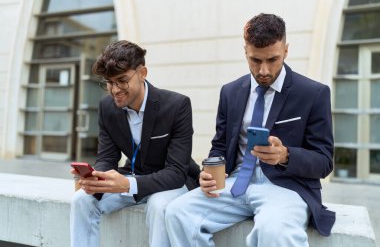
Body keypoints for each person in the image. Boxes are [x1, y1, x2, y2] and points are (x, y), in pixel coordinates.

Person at [165, 13, 335, 247]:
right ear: (245, 51)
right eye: (255, 60)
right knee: (177, 212)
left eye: (272, 59)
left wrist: (286, 155)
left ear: (286, 50)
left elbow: (324, 161)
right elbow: (220, 145)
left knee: (273, 231)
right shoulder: (230, 92)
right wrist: (211, 170)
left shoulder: (313, 93)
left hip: (285, 188)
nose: (263, 70)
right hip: (235, 184)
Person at [70, 40, 200, 247]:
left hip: (173, 182)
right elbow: (107, 158)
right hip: (131, 178)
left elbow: (176, 172)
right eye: (109, 82)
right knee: (81, 200)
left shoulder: (177, 105)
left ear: (142, 73)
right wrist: (96, 177)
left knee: (158, 205)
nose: (115, 90)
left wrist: (128, 184)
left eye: (122, 80)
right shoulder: (107, 107)